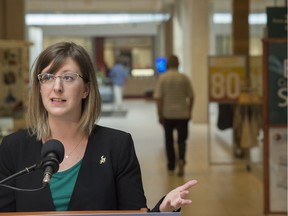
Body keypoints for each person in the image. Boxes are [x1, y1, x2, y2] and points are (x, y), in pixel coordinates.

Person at [0, 42, 197, 212]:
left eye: (68, 77)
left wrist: (162, 211)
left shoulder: (117, 146)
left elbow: (133, 213)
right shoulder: (13, 148)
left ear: (86, 89)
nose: (57, 87)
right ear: (40, 86)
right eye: (48, 77)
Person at [153, 55, 194, 177]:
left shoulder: (163, 78)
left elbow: (159, 98)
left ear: (167, 65)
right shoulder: (184, 78)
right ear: (178, 64)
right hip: (182, 114)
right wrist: (189, 111)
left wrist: (159, 113)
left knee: (169, 140)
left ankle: (171, 165)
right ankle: (181, 160)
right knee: (182, 140)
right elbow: (191, 96)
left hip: (168, 114)